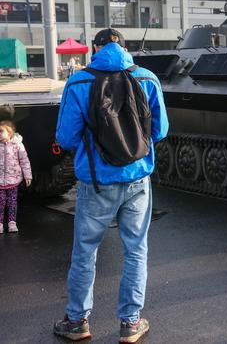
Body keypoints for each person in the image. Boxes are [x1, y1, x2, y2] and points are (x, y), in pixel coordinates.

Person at [53, 28, 169, 342]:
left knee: (85, 253)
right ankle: (130, 324)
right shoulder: (147, 78)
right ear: (125, 47)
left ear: (95, 48)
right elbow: (159, 131)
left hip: (96, 182)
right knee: (135, 252)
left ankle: (77, 322)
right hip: (138, 180)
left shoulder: (79, 81)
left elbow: (65, 137)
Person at [0, 120, 32, 234]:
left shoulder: (17, 144)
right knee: (1, 201)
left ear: (10, 133)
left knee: (12, 201)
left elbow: (24, 160)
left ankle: (12, 222)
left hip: (13, 178)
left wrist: (28, 175)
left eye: (1, 131)